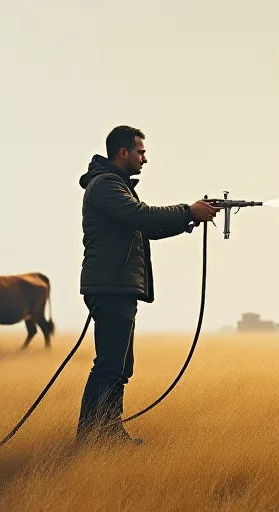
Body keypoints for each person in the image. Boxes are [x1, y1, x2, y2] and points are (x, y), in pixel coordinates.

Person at [75, 125, 218, 445]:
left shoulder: (116, 185)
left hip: (116, 286)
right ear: (123, 152)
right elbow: (141, 216)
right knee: (110, 365)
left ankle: (107, 432)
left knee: (119, 365)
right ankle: (94, 436)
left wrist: (189, 218)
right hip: (111, 286)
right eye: (141, 152)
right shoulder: (106, 185)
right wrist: (188, 211)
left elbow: (146, 228)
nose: (145, 158)